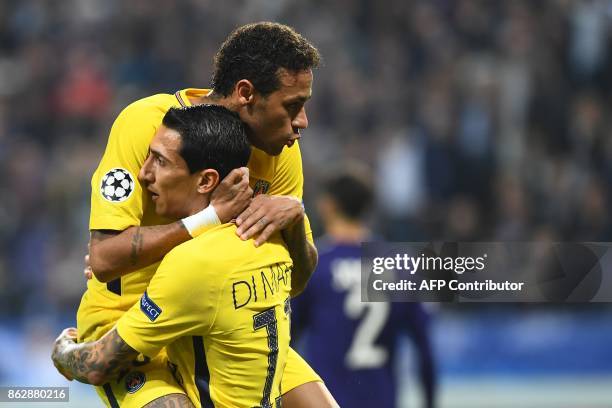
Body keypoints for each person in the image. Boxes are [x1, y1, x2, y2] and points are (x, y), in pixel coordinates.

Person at [74, 22, 335, 407]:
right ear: (246, 94)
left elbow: (292, 282)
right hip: (130, 322)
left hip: (226, 324)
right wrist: (210, 218)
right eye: (292, 106)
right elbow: (105, 259)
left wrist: (296, 219)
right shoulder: (148, 125)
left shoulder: (281, 153)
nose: (302, 122)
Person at [54, 104, 294, 407]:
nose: (143, 173)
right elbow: (305, 287)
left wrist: (62, 352)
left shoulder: (193, 265)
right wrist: (296, 214)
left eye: (160, 161)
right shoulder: (277, 241)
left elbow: (99, 363)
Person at [292, 167, 436, 408]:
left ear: (328, 205)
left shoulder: (313, 265)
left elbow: (285, 340)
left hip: (325, 401)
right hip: (381, 399)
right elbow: (424, 348)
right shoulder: (399, 265)